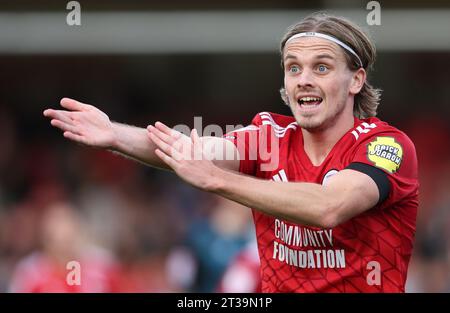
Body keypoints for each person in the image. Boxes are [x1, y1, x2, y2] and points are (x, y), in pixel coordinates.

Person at [43, 13, 419, 292]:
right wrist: (114, 135)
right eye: (293, 68)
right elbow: (189, 151)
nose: (303, 79)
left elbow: (329, 207)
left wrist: (217, 179)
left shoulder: (386, 146)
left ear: (356, 79)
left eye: (321, 67)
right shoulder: (268, 135)